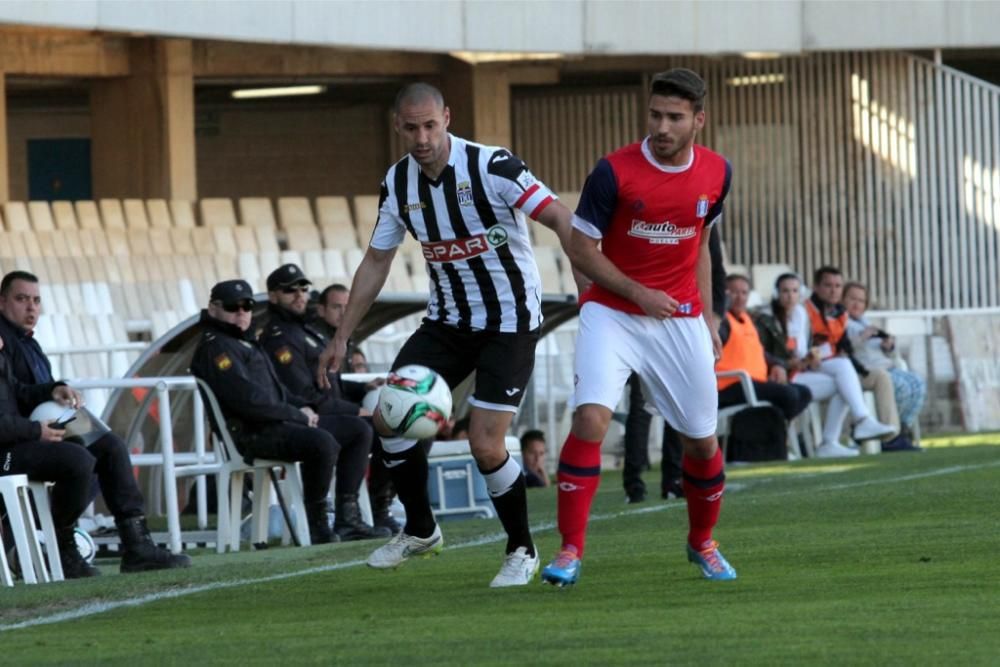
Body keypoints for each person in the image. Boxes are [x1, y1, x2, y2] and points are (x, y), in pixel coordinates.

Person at [316, 82, 581, 587]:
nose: (421, 137)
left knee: (485, 444)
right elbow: (376, 260)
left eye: (430, 125)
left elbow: (560, 218)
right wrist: (341, 336)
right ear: (397, 126)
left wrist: (585, 280)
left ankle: (521, 549)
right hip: (448, 322)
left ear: (447, 119)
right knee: (387, 417)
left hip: (510, 322)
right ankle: (420, 529)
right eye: (411, 127)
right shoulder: (398, 183)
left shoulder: (493, 165)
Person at [542, 68, 738, 585]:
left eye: (675, 117)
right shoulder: (613, 172)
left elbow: (700, 244)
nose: (662, 126)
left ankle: (703, 542)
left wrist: (712, 317)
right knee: (590, 421)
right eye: (655, 114)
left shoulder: (718, 172)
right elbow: (582, 249)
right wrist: (636, 293)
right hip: (612, 312)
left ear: (699, 119)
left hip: (680, 319)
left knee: (701, 442)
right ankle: (569, 551)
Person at [0, 271, 191, 576]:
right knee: (81, 460)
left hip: (47, 419)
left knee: (111, 446)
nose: (31, 308)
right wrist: (36, 429)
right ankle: (61, 545)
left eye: (36, 300)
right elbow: (15, 404)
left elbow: (18, 390)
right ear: (2, 302)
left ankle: (137, 543)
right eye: (22, 299)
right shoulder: (4, 340)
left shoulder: (28, 343)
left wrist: (55, 388)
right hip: (24, 434)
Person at [191, 279, 365, 545]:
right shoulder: (216, 347)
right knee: (321, 442)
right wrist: (298, 415)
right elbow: (248, 402)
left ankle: (348, 519)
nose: (241, 312)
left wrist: (302, 408)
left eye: (247, 305)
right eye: (232, 306)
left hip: (276, 425)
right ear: (213, 309)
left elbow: (278, 394)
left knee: (358, 430)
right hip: (252, 434)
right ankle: (316, 524)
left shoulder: (244, 342)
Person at [257, 265, 391, 539]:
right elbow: (308, 397)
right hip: (304, 419)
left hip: (324, 414)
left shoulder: (304, 332)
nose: (299, 295)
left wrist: (364, 387)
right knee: (363, 429)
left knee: (400, 429)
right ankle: (348, 516)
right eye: (289, 290)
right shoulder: (280, 338)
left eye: (303, 289)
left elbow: (329, 386)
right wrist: (358, 410)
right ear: (273, 296)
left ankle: (378, 508)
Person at [623, 224, 726, 504]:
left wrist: (713, 318)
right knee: (639, 404)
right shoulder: (642, 218)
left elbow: (715, 269)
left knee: (682, 404)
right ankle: (634, 483)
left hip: (686, 323)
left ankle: (674, 477)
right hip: (641, 317)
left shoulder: (701, 215)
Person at [755, 271, 894, 457]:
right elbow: (761, 353)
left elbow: (806, 350)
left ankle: (831, 441)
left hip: (802, 370)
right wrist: (788, 363)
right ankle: (861, 421)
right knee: (843, 372)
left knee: (843, 378)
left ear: (800, 292)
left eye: (795, 291)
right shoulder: (766, 318)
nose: (790, 296)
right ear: (776, 293)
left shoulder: (800, 314)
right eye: (785, 291)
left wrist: (809, 359)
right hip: (779, 375)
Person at [800, 267, 899, 452]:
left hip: (826, 367)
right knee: (844, 368)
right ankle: (863, 420)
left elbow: (842, 347)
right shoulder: (805, 311)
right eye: (828, 285)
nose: (833, 290)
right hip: (801, 368)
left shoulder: (839, 312)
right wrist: (841, 351)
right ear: (816, 287)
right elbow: (803, 349)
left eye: (838, 286)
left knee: (844, 383)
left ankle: (829, 443)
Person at [716, 274, 812, 421]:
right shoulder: (720, 322)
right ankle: (774, 435)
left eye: (744, 293)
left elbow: (760, 352)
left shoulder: (747, 319)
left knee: (804, 392)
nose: (740, 298)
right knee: (788, 396)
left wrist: (776, 365)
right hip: (730, 385)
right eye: (734, 292)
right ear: (724, 293)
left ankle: (773, 434)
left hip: (755, 382)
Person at [842, 282, 924, 451]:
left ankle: (901, 427)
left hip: (887, 367)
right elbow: (844, 350)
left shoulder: (865, 322)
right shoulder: (843, 323)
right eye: (852, 299)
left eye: (861, 301)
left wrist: (889, 346)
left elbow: (891, 355)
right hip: (867, 371)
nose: (857, 304)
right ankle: (891, 437)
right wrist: (862, 337)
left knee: (917, 384)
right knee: (902, 387)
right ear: (843, 299)